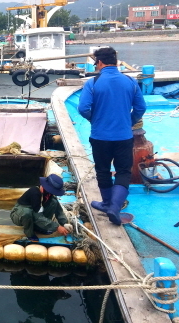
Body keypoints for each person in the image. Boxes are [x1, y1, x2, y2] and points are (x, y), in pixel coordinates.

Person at [78, 46, 146, 225]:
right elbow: (141, 108)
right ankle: (114, 206)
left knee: (103, 170)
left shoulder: (92, 83)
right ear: (115, 62)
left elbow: (83, 108)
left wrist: (96, 120)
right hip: (123, 136)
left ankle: (108, 203)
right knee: (123, 171)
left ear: (99, 62)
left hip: (100, 136)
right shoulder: (130, 82)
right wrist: (129, 121)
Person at [10, 174, 71, 242]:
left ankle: (40, 229)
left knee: (53, 202)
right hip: (20, 213)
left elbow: (58, 210)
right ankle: (29, 233)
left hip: (35, 212)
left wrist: (64, 223)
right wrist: (57, 227)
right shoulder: (35, 193)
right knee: (27, 213)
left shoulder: (49, 194)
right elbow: (37, 216)